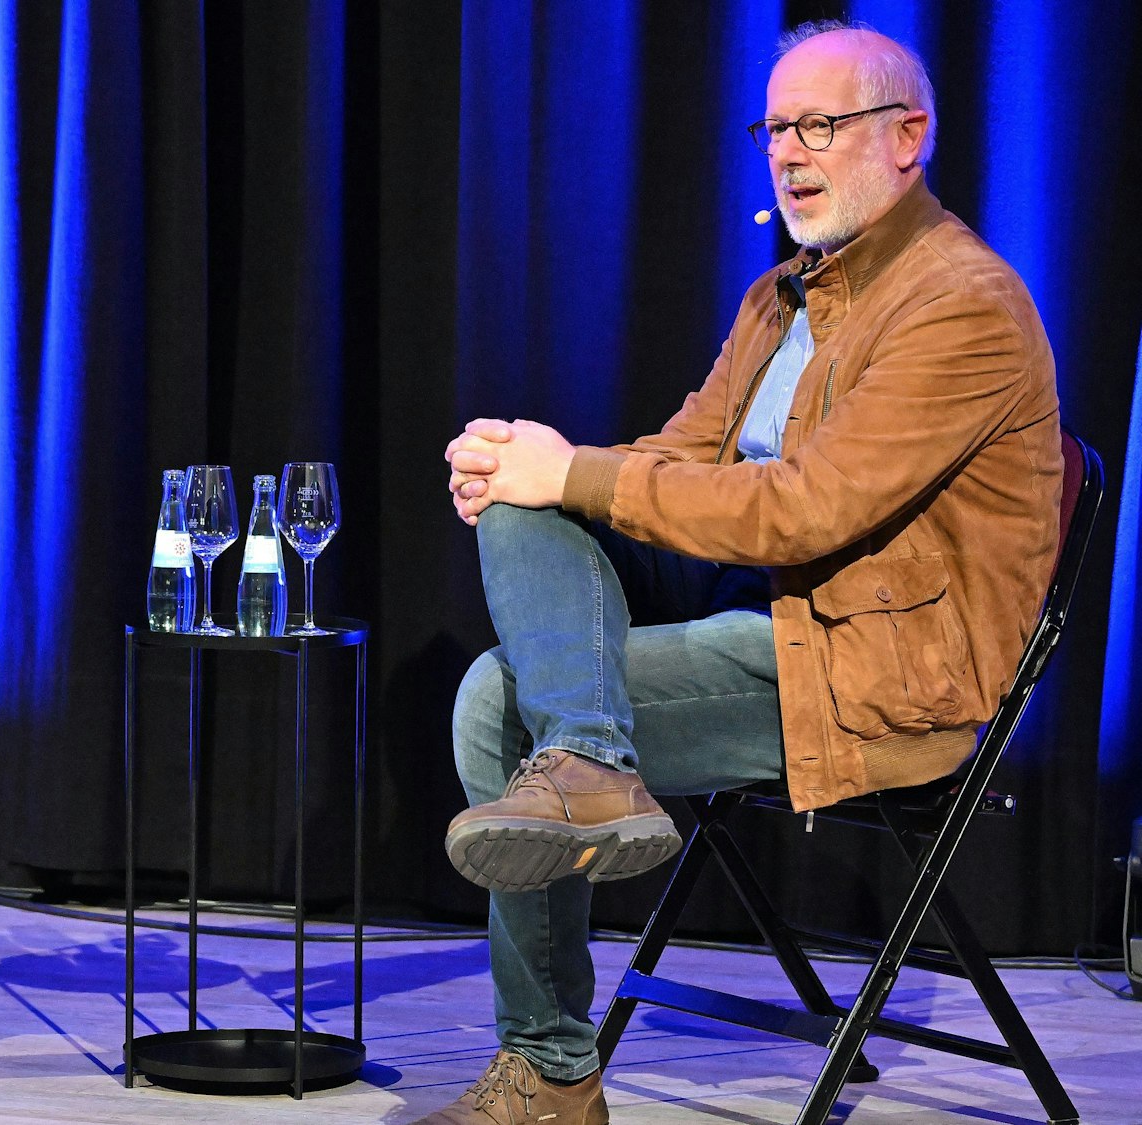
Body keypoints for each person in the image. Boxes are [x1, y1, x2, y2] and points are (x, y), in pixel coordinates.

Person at [415, 21, 1061, 1125]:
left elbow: (806, 509)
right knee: (529, 502)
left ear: (908, 136)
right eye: (773, 129)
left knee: (493, 697)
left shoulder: (962, 304)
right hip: (755, 609)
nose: (790, 152)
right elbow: (677, 459)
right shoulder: (782, 299)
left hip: (871, 671)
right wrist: (528, 469)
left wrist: (573, 473)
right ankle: (587, 765)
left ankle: (551, 1068)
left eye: (820, 125)